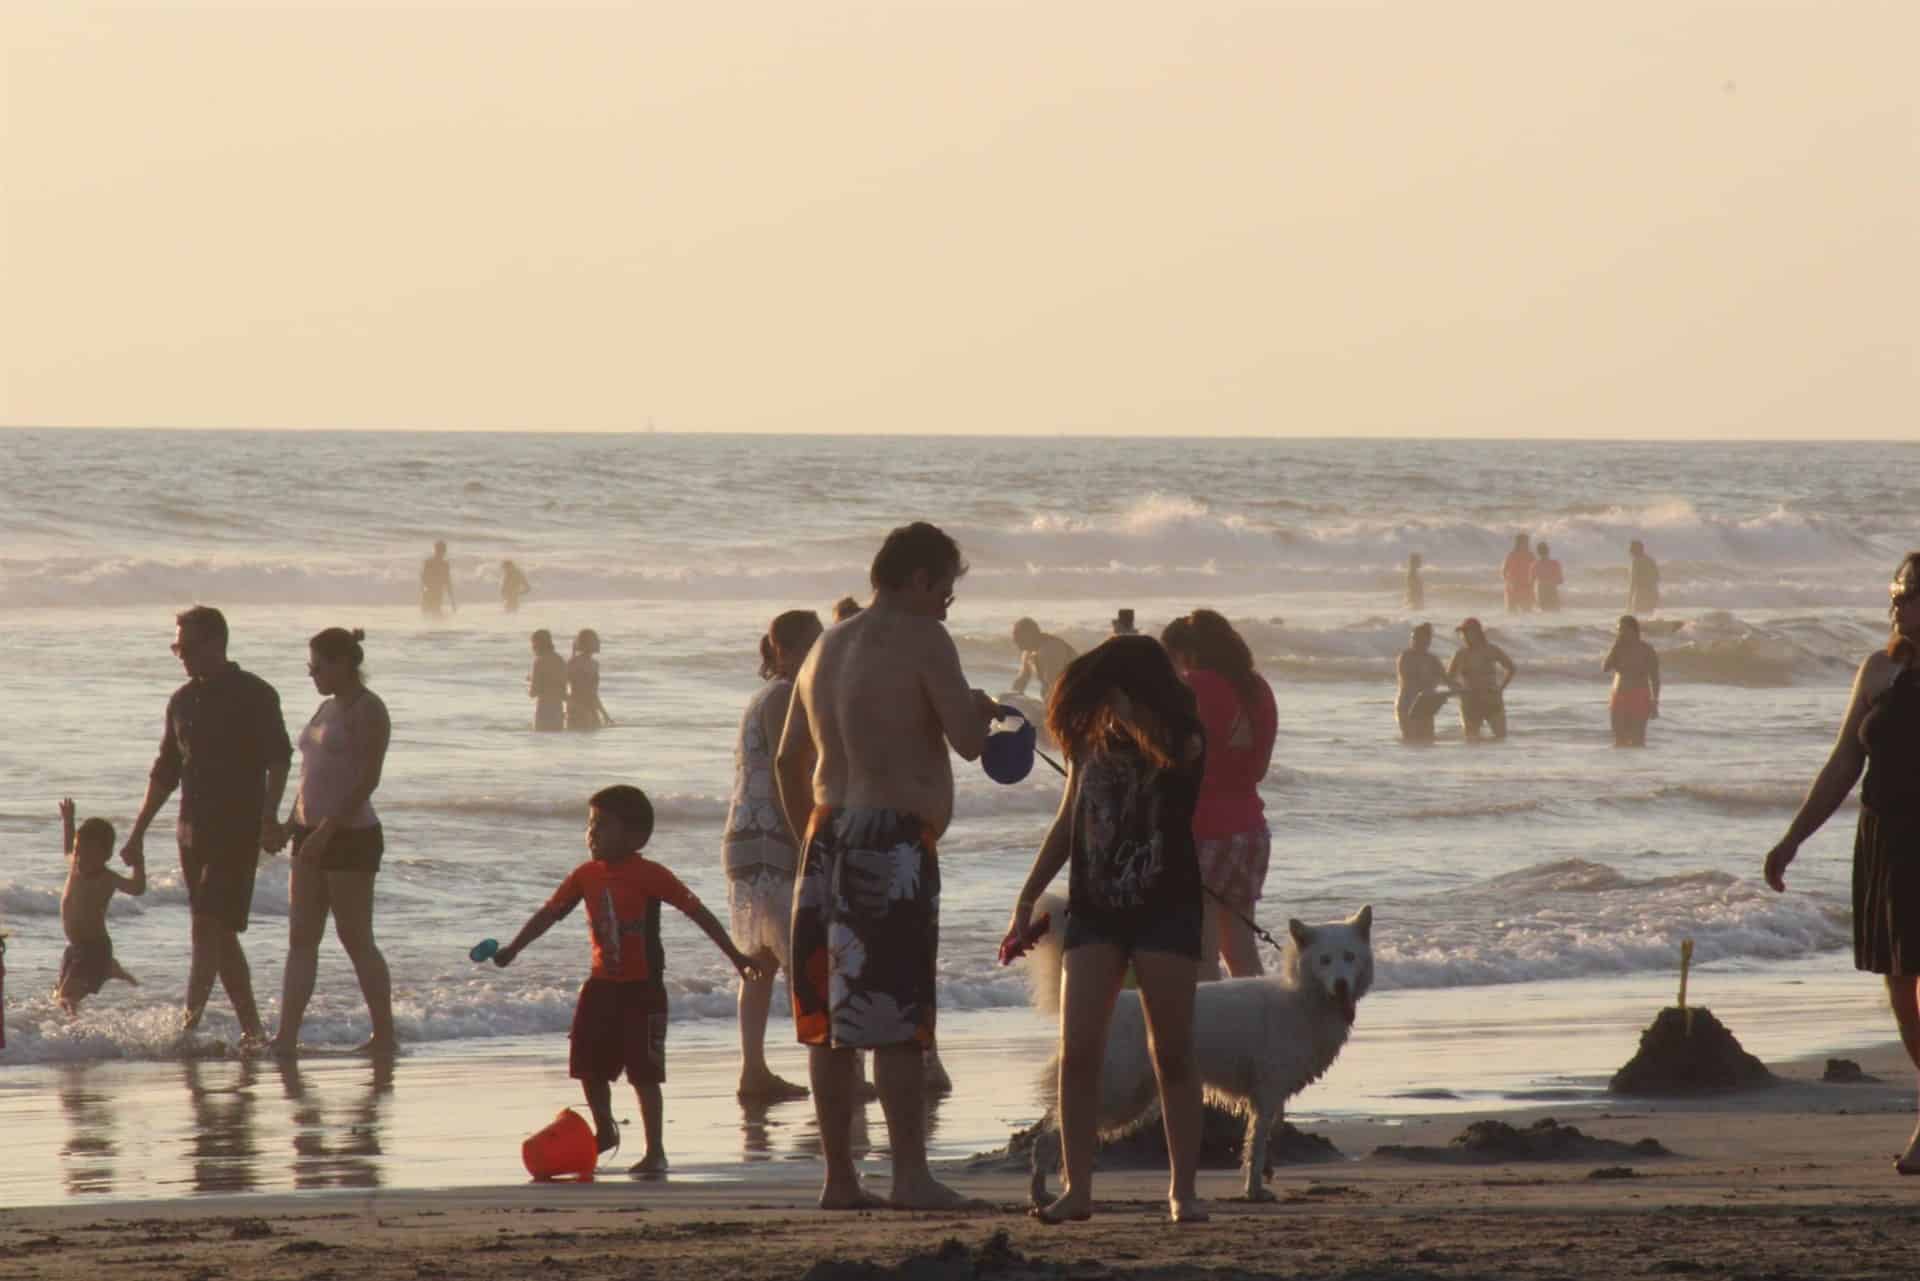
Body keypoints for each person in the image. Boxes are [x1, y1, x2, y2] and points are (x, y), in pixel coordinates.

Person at [774, 520, 999, 1210]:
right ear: (920, 578)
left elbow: (788, 760)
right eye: (947, 592)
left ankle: (840, 1179)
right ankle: (909, 1175)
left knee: (829, 1016)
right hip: (890, 840)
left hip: (825, 832)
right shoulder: (922, 635)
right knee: (896, 1015)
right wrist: (984, 711)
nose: (947, 607)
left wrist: (809, 838)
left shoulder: (823, 647)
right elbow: (965, 740)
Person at [1004, 636, 1209, 1224]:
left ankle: (1183, 1193)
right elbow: (1070, 819)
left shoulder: (1183, 735)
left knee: (1170, 1052)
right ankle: (1079, 1190)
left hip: (1165, 905)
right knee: (1077, 1053)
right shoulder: (1090, 739)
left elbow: (1177, 762)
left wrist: (1131, 714)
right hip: (1095, 908)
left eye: (1110, 690)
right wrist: (1027, 896)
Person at [491, 784, 769, 1175]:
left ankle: (655, 1149)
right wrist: (514, 947)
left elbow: (699, 913)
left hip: (644, 990)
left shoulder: (651, 875)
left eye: (603, 826)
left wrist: (737, 957)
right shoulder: (583, 876)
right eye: (590, 825)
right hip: (601, 986)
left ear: (635, 836)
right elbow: (549, 914)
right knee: (587, 1063)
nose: (592, 834)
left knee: (644, 1073)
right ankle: (605, 1128)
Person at [1763, 552, 1920, 1173]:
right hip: (1884, 838)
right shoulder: (1879, 671)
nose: (1897, 604)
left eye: (1908, 594)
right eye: (1894, 593)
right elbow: (1841, 765)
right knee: (1899, 983)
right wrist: (1791, 839)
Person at [122, 605, 293, 1043]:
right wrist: (138, 832)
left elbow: (278, 758)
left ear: (217, 644)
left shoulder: (255, 694)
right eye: (177, 646)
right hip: (190, 831)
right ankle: (253, 1031)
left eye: (189, 646)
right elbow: (165, 771)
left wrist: (270, 815)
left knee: (207, 927)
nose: (182, 655)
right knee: (217, 933)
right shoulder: (181, 701)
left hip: (237, 831)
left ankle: (188, 1026)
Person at [269, 627, 395, 1057]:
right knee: (301, 939)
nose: (313, 674)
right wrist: (290, 824)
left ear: (343, 663)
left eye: (318, 666)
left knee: (355, 937)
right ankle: (285, 1037)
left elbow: (368, 779)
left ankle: (385, 1035)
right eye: (310, 667)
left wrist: (329, 829)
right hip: (309, 832)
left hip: (351, 835)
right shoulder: (325, 708)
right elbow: (310, 777)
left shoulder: (369, 709)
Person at [723, 609, 823, 1101]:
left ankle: (754, 1071)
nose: (818, 654)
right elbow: (794, 771)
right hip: (775, 836)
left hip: (746, 834)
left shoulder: (763, 695)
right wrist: (809, 838)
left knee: (760, 961)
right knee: (803, 957)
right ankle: (827, 1064)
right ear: (783, 650)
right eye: (812, 645)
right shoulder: (786, 695)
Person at [1161, 610, 1276, 980]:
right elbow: (1258, 768)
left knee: (1202, 954)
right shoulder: (1258, 688)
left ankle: (1209, 1034)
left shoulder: (1194, 686)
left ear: (1188, 653)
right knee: (1241, 950)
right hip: (1250, 831)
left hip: (1201, 830)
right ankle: (1260, 1027)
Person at [56, 798, 145, 1015]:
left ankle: (74, 1038)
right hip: (75, 947)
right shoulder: (74, 866)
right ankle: (108, 968)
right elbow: (68, 847)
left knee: (68, 996)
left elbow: (137, 888)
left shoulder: (107, 878)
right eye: (78, 851)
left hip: (94, 947)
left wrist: (139, 864)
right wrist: (68, 821)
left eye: (87, 853)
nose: (79, 857)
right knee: (59, 996)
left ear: (105, 856)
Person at [1446, 618, 1516, 742]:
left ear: (1478, 632)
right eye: (1463, 633)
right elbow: (1449, 679)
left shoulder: (1491, 650)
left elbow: (1511, 668)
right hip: (1470, 702)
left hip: (1491, 699)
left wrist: (1501, 688)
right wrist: (1460, 691)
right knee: (1471, 740)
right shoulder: (1460, 654)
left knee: (1500, 739)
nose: (1465, 636)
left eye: (1468, 632)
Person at [1602, 616, 1661, 747]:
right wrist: (1615, 647)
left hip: (1639, 697)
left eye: (1621, 629)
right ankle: (1621, 767)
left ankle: (1637, 767)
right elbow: (1605, 668)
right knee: (1619, 741)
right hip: (1618, 695)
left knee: (1638, 741)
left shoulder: (1647, 650)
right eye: (1618, 630)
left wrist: (1655, 701)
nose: (1619, 633)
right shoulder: (1618, 648)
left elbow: (1655, 678)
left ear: (1632, 630)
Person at [1395, 623, 1454, 744]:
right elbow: (1408, 680)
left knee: (1428, 739)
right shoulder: (1405, 657)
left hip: (1426, 703)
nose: (1416, 641)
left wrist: (1463, 689)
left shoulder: (1432, 659)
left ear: (1428, 640)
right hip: (1408, 703)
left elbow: (1447, 680)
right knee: (1410, 739)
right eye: (1414, 638)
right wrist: (1429, 684)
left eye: (1420, 638)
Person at [1011, 618, 1078, 698]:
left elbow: (1055, 684)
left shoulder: (1050, 649)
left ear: (1030, 635)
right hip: (1060, 691)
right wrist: (1011, 696)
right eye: (1016, 640)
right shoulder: (1028, 652)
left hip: (1076, 690)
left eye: (1020, 639)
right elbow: (1022, 679)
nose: (1017, 644)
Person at [566, 629, 614, 731]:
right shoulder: (575, 663)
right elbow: (562, 685)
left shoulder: (594, 664)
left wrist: (605, 715)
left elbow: (593, 693)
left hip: (590, 708)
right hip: (577, 709)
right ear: (587, 643)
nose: (598, 642)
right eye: (595, 640)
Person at [527, 629, 567, 732]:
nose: (532, 647)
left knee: (541, 743)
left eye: (533, 644)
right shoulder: (560, 660)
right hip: (558, 710)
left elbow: (533, 693)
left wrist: (531, 680)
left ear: (537, 644)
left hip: (543, 711)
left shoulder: (539, 662)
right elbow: (563, 691)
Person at [420, 542, 456, 616]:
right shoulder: (444, 564)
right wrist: (452, 601)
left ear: (435, 549)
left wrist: (425, 589)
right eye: (443, 550)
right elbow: (448, 583)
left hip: (429, 593)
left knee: (428, 617)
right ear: (444, 551)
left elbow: (423, 577)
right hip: (435, 593)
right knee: (436, 616)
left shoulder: (428, 562)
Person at [1501, 535, 1535, 614]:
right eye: (1526, 542)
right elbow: (1504, 572)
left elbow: (1504, 572)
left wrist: (1509, 581)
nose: (1528, 544)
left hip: (1521, 587)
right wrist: (1509, 582)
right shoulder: (1529, 555)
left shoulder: (1512, 555)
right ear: (1520, 543)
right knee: (1520, 612)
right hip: (1518, 587)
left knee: (1523, 612)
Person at [1629, 540, 1660, 616]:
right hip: (1652, 592)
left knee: (1638, 615)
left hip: (1642, 594)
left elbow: (1633, 581)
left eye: (1631, 549)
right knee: (1648, 615)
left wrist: (1629, 599)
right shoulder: (1650, 560)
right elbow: (1657, 577)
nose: (1630, 552)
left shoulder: (1636, 562)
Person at [1532, 542, 1564, 612]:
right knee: (1554, 613)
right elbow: (1560, 580)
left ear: (1538, 552)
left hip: (1541, 590)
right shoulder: (1555, 563)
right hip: (1551, 589)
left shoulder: (1535, 564)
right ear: (1548, 551)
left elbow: (1531, 580)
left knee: (1544, 613)